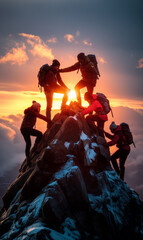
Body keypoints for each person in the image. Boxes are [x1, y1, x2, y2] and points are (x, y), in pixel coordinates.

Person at [20, 101, 52, 165]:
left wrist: (34, 102)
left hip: (23, 129)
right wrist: (50, 121)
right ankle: (35, 147)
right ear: (36, 108)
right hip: (27, 128)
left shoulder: (30, 111)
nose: (39, 109)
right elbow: (41, 117)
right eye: (39, 107)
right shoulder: (33, 112)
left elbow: (34, 105)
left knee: (28, 143)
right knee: (39, 134)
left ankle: (28, 158)